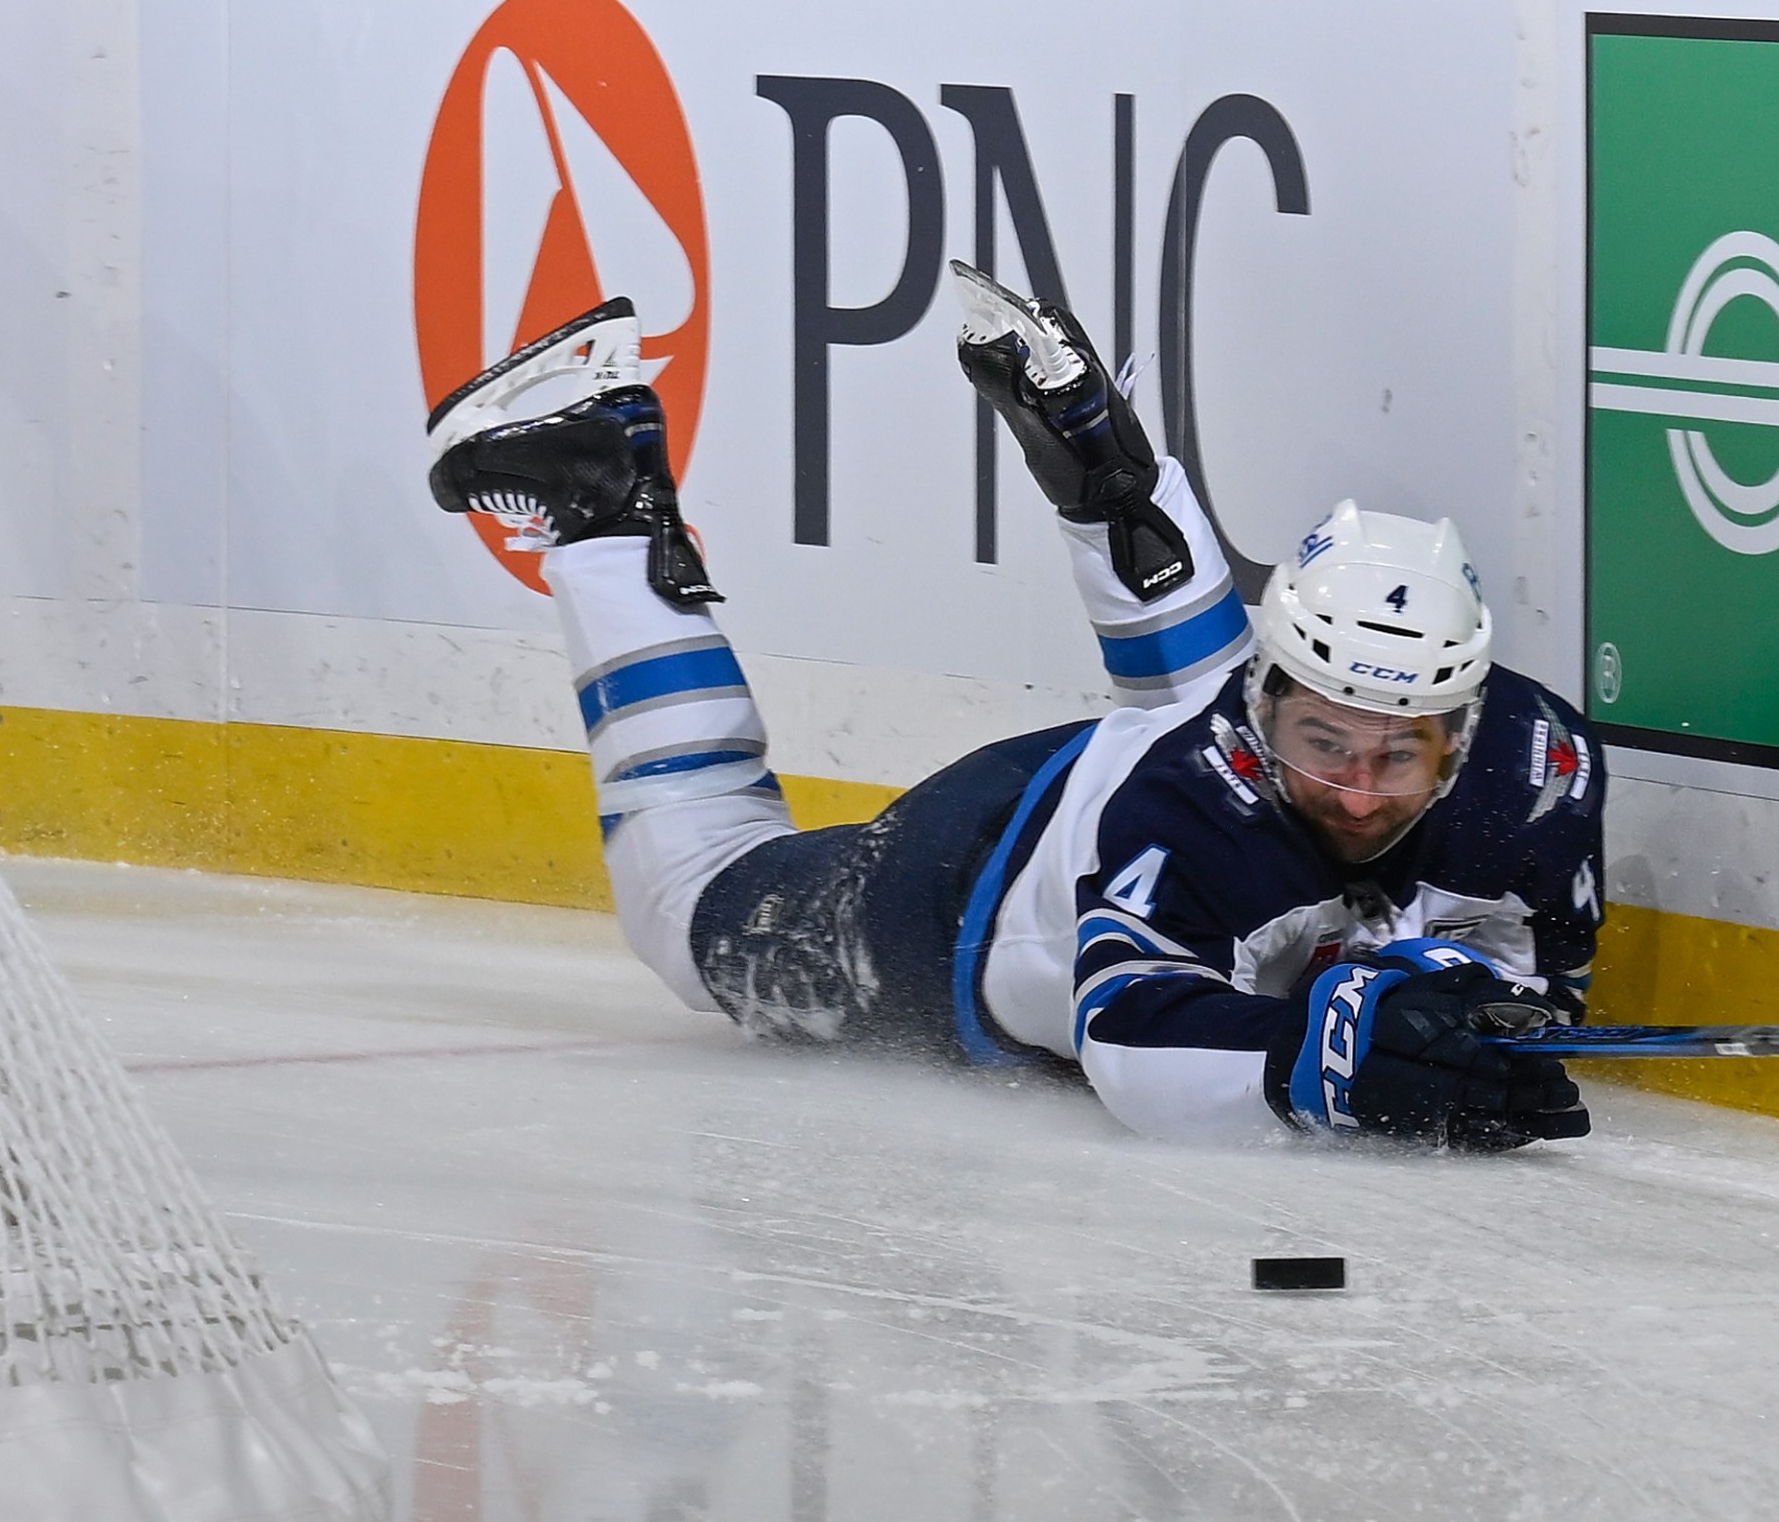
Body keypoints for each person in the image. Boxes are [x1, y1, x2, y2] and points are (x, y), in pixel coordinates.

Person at [421, 268, 1601, 1151]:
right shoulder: (1191, 801)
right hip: (966, 897)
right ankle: (605, 505)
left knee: (1219, 735)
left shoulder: (1533, 769)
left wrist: (1458, 996)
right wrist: (1316, 1060)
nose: (1356, 787)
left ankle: (1112, 479)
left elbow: (1524, 961)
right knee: (690, 914)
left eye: (1398, 757)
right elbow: (1132, 1043)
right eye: (1324, 740)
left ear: (1461, 736)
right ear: (1266, 706)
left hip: (1168, 753)